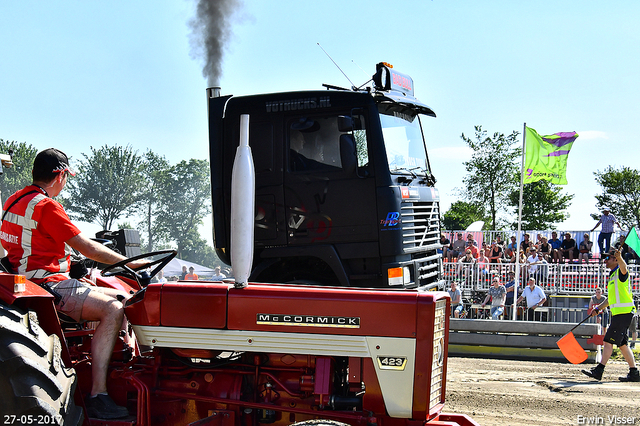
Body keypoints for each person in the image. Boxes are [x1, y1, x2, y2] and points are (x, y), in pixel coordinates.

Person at [0, 148, 149, 420]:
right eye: (66, 177)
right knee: (113, 309)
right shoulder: (46, 205)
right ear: (59, 175)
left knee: (125, 296)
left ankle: (117, 366)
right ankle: (99, 394)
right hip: (47, 283)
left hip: (28, 277)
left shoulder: (13, 200)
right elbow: (86, 247)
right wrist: (133, 263)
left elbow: (30, 243)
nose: (66, 183)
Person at [582, 249, 638, 382]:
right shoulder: (612, 275)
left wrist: (620, 258)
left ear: (615, 259)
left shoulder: (620, 272)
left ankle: (599, 370)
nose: (605, 260)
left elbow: (625, 269)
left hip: (623, 313)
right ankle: (634, 372)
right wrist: (598, 309)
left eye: (608, 258)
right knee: (622, 344)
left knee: (607, 341)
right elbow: (610, 299)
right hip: (620, 314)